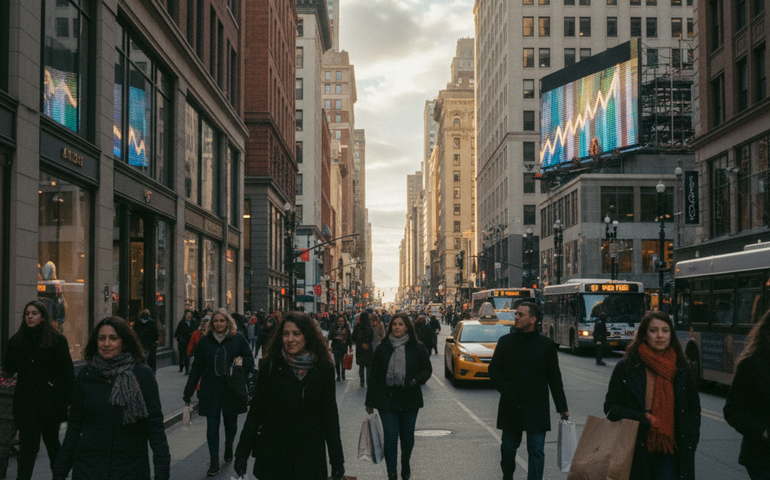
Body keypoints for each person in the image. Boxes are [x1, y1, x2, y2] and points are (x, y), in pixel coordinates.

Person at [52, 317, 170, 480]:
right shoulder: (86, 376)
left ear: (125, 343)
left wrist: (162, 472)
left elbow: (155, 427)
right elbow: (74, 427)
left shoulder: (142, 375)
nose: (106, 344)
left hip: (130, 469)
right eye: (102, 338)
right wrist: (60, 472)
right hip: (88, 468)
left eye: (113, 338)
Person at [234, 312, 345, 480]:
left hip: (309, 454)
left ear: (307, 336)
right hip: (274, 453)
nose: (290, 339)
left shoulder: (323, 368)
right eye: (286, 334)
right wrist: (242, 453)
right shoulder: (270, 365)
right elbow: (256, 411)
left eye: (296, 334)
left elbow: (330, 415)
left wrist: (337, 460)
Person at [604, 310, 701, 480]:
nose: (660, 336)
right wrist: (640, 417)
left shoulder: (682, 368)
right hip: (634, 446)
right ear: (644, 335)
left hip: (670, 447)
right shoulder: (626, 367)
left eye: (665, 330)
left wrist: (691, 441)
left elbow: (693, 408)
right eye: (654, 330)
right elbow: (610, 408)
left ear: (671, 335)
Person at [488, 302, 569, 480]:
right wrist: (506, 389)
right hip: (512, 405)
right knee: (508, 449)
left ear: (533, 320)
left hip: (536, 406)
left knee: (536, 451)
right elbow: (494, 369)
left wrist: (562, 407)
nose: (516, 317)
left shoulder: (546, 345)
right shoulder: (506, 342)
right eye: (516, 314)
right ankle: (507, 476)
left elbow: (554, 378)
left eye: (521, 315)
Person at [3, 301, 74, 480]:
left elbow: (67, 372)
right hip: (26, 402)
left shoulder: (57, 340)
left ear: (43, 317)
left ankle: (59, 476)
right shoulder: (17, 341)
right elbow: (9, 368)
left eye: (34, 313)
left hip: (50, 402)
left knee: (52, 443)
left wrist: (68, 400)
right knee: (28, 447)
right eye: (27, 313)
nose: (30, 317)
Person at [183, 308, 254, 476]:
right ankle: (214, 461)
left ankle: (229, 446)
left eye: (222, 321)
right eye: (216, 321)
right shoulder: (205, 340)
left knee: (231, 424)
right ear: (211, 323)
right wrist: (188, 391)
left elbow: (249, 359)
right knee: (212, 426)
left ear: (228, 322)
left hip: (232, 388)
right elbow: (197, 367)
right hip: (210, 388)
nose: (219, 324)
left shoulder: (237, 338)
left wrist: (240, 365)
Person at [365, 313, 432, 480]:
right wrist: (369, 401)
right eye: (394, 324)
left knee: (407, 439)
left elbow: (427, 369)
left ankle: (405, 461)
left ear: (407, 327)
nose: (397, 327)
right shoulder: (383, 348)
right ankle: (392, 474)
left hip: (410, 399)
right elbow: (373, 376)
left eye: (400, 324)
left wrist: (416, 380)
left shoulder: (417, 347)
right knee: (390, 438)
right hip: (387, 400)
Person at [724, 309, 770, 480]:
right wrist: (763, 431)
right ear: (767, 334)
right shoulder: (751, 365)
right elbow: (733, 410)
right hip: (763, 458)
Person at [352, 311, 375, 387]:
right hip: (368, 348)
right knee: (368, 367)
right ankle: (368, 381)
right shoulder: (370, 327)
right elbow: (372, 338)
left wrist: (360, 343)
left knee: (361, 366)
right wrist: (367, 344)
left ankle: (362, 381)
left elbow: (353, 337)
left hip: (360, 349)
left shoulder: (357, 327)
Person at [328, 315, 352, 381]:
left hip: (343, 347)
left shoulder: (346, 327)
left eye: (342, 321)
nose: (340, 323)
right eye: (339, 321)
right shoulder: (333, 327)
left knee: (343, 361)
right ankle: (338, 375)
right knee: (337, 362)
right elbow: (329, 336)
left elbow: (349, 337)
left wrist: (350, 347)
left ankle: (343, 374)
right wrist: (336, 335)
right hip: (336, 347)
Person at [174, 309, 197, 374]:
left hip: (190, 341)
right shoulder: (182, 323)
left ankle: (187, 369)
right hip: (183, 341)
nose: (188, 316)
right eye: (187, 314)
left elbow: (196, 330)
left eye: (190, 314)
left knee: (188, 355)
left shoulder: (194, 322)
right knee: (182, 354)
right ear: (185, 315)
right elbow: (177, 331)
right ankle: (181, 366)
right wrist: (178, 337)